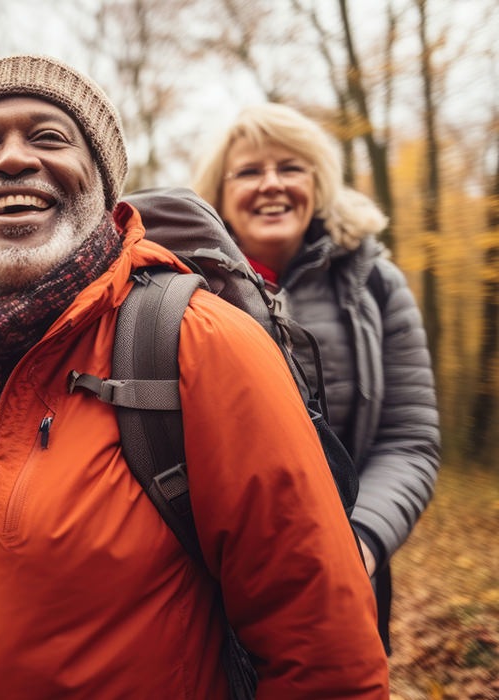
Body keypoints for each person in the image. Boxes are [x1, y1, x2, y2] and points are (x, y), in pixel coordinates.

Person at [0, 55, 389, 698]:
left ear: (103, 182)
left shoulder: (201, 346)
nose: (10, 160)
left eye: (48, 137)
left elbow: (321, 648)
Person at [191, 101, 441, 652]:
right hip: (207, 593)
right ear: (219, 192)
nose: (271, 185)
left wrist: (359, 544)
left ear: (318, 181)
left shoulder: (375, 285)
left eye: (291, 168)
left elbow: (410, 440)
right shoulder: (178, 286)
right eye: (250, 171)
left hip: (347, 583)